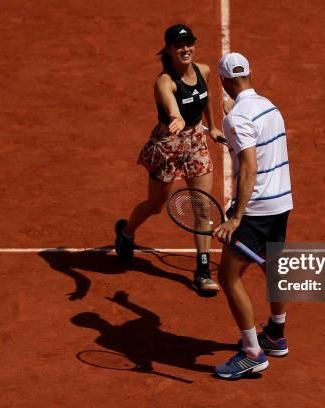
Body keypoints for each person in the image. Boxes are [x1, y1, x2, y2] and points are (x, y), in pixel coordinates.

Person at [114, 24, 224, 295]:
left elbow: (206, 98)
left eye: (188, 44)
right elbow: (170, 103)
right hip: (168, 145)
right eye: (178, 46)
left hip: (196, 142)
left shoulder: (204, 70)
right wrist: (176, 116)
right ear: (169, 50)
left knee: (202, 209)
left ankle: (202, 272)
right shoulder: (164, 81)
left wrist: (214, 126)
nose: (185, 49)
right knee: (155, 205)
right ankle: (126, 233)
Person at [212, 52, 293, 379]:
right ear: (248, 74)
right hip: (281, 203)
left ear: (224, 82)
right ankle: (275, 333)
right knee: (274, 267)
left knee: (228, 278)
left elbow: (248, 167)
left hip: (256, 209)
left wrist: (235, 217)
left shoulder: (237, 118)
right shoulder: (270, 107)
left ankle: (252, 353)